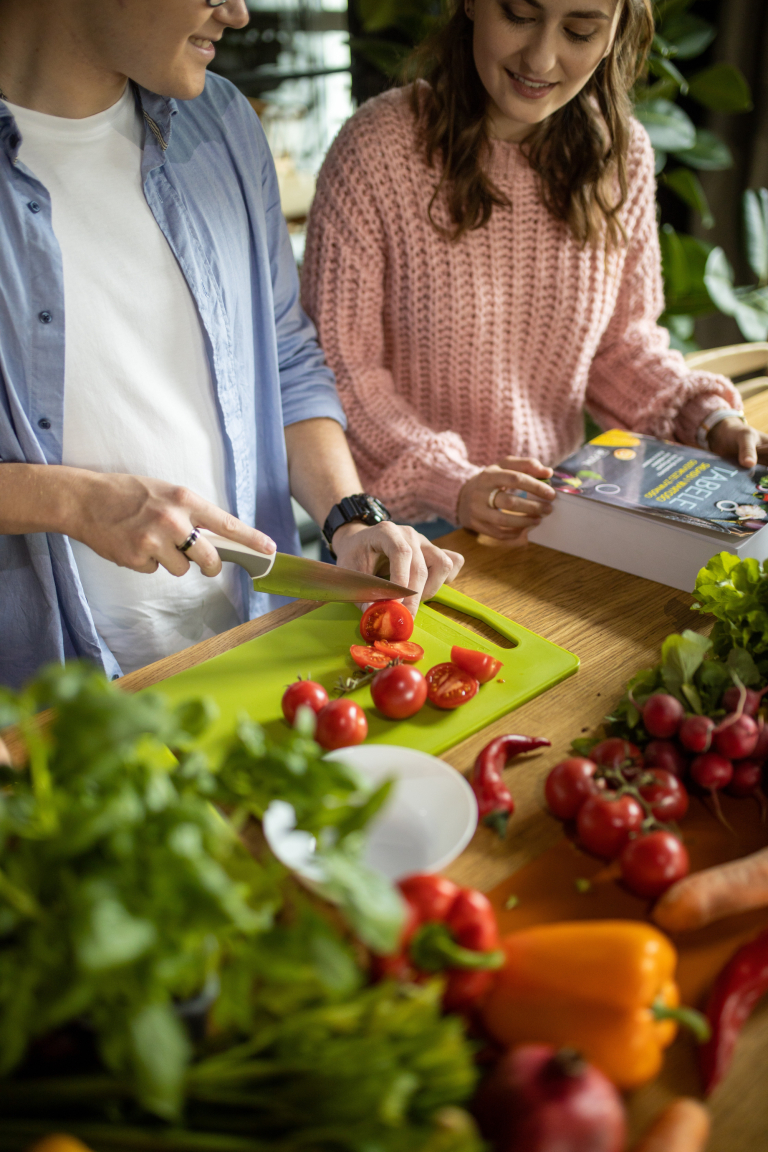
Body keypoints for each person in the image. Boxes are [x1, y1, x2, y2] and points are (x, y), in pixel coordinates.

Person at [0, 0, 463, 690]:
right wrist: (71, 500)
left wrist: (350, 516)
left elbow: (286, 356)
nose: (239, 12)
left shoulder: (222, 125)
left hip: (249, 645)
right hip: (46, 695)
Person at [302, 0, 768, 545]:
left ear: (616, 33)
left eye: (579, 30)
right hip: (408, 532)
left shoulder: (620, 156)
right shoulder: (376, 150)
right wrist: (455, 482)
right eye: (520, 15)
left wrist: (707, 419)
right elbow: (342, 373)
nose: (542, 58)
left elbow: (621, 346)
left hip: (554, 512)